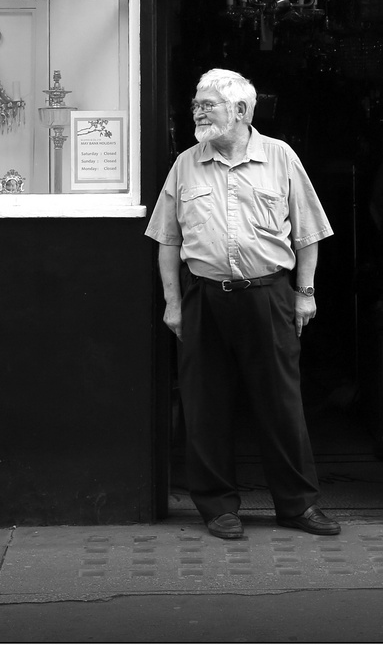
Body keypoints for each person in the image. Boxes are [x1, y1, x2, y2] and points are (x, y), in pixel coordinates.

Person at [145, 68, 340, 540]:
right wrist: (173, 303)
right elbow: (167, 240)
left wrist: (305, 292)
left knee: (281, 403)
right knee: (205, 403)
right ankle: (217, 507)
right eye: (196, 102)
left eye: (207, 103)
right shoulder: (186, 164)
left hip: (268, 294)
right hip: (204, 298)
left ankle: (297, 506)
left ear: (240, 110)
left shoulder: (280, 157)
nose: (197, 110)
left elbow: (309, 231)